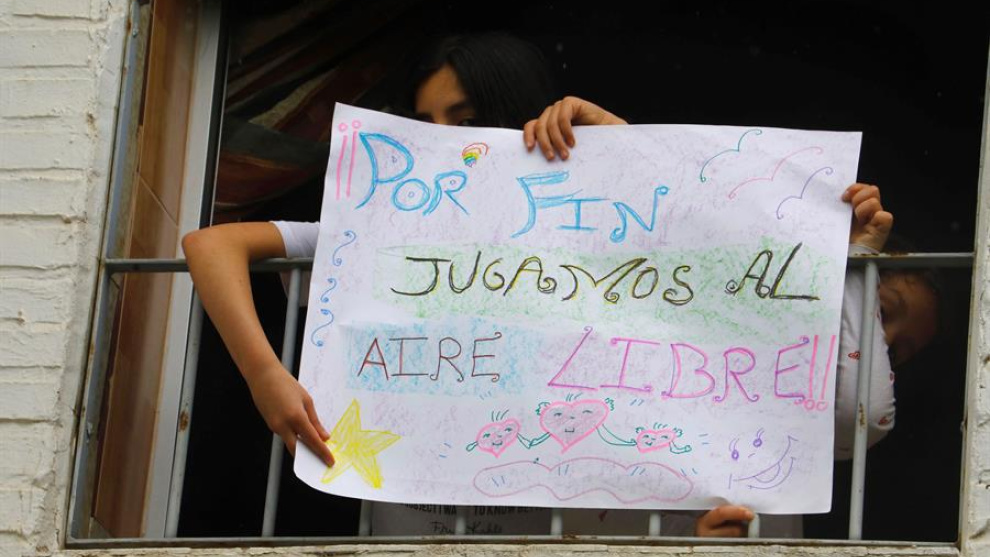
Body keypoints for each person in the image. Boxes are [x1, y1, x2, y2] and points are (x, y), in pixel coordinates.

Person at [183, 32, 937, 537]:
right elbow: (211, 245)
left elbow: (689, 243)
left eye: (465, 119)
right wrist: (266, 377)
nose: (441, 140)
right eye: (426, 121)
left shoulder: (596, 232)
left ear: (514, 114)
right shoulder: (392, 229)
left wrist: (618, 148)